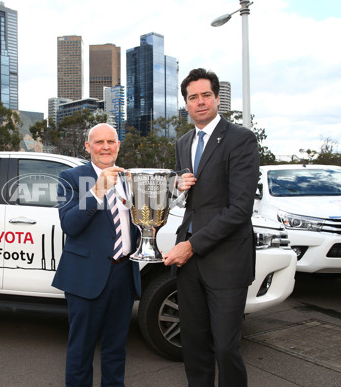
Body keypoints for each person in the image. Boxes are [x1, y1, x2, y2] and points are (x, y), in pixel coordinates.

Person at [162, 68, 259, 387]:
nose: (200, 102)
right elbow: (191, 202)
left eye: (206, 95)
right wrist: (177, 188)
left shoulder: (241, 139)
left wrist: (191, 245)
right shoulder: (183, 142)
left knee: (226, 348)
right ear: (186, 104)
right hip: (190, 267)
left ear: (217, 98)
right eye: (193, 97)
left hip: (226, 262)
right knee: (193, 345)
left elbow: (239, 209)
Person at [52, 123, 141, 386]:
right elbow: (70, 225)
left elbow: (139, 224)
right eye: (99, 142)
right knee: (81, 351)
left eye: (110, 142)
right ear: (88, 147)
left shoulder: (129, 178)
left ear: (118, 146)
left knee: (116, 351)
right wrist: (98, 189)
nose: (105, 147)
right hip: (86, 277)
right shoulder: (70, 177)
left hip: (124, 274)